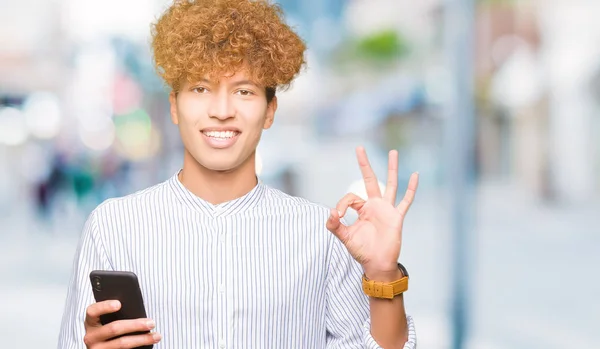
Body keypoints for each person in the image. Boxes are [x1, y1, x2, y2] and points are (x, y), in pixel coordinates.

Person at [57, 0, 419, 348]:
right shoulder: (114, 227)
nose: (221, 110)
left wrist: (383, 274)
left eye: (243, 91)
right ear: (174, 106)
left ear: (269, 110)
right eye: (201, 88)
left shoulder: (322, 235)